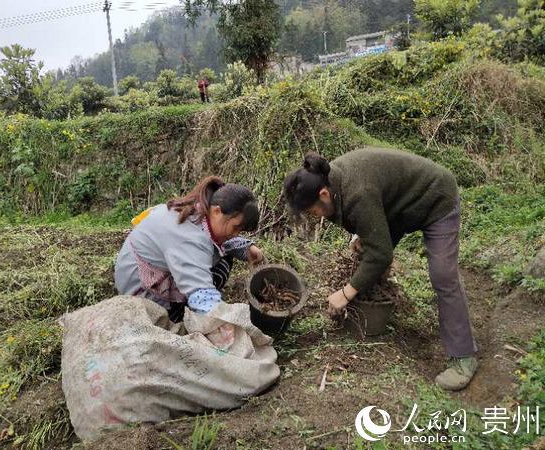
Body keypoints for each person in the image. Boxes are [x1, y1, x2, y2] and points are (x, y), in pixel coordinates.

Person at [283, 146, 479, 391]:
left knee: (443, 276)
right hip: (401, 207)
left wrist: (345, 294)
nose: (316, 217)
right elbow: (376, 217)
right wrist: (366, 237)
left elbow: (381, 254)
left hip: (436, 199)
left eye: (313, 211)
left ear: (324, 194)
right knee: (367, 252)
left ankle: (463, 357)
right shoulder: (333, 179)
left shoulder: (357, 192)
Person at [115, 176, 264, 322]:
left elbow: (220, 240)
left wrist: (247, 247)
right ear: (217, 211)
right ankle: (175, 314)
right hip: (140, 287)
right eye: (235, 227)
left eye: (241, 231)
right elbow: (203, 297)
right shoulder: (189, 237)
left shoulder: (199, 210)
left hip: (154, 266)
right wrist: (226, 322)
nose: (235, 234)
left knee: (225, 255)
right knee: (174, 322)